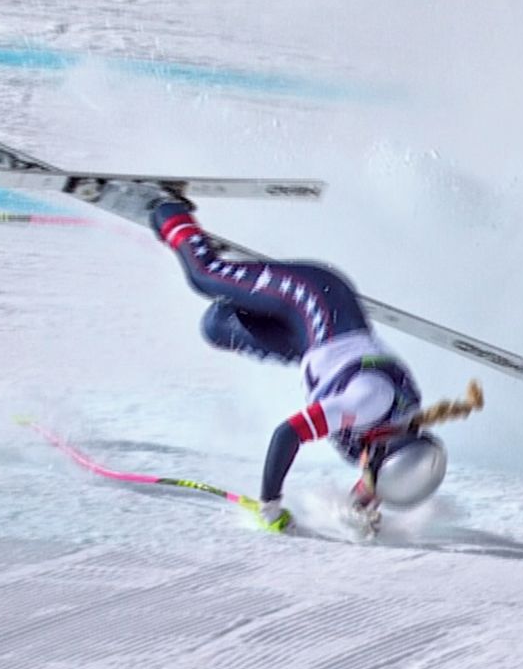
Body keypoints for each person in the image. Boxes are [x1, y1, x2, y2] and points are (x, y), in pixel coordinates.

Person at [99, 182, 468, 532]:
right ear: (380, 453)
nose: (364, 481)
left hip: (307, 341)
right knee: (205, 277)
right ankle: (165, 206)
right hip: (316, 299)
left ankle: (244, 285)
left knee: (216, 326)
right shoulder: (369, 402)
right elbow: (287, 434)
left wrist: (358, 516)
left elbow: (371, 490)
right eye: (369, 478)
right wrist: (270, 502)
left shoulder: (391, 442)